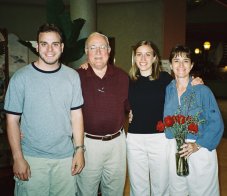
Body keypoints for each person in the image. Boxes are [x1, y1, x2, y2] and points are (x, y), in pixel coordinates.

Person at [4, 23, 85, 196]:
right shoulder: (21, 78)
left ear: (62, 47)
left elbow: (76, 115)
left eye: (55, 44)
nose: (50, 49)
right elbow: (12, 120)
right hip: (32, 159)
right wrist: (18, 158)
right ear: (37, 46)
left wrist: (79, 151)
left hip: (65, 160)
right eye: (44, 44)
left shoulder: (72, 76)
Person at [127, 40, 204, 196]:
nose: (143, 59)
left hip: (159, 139)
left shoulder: (165, 79)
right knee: (137, 184)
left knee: (160, 184)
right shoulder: (128, 80)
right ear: (134, 58)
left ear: (155, 58)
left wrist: (195, 80)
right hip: (135, 139)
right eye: (139, 55)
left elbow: (183, 81)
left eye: (148, 54)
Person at [164, 45, 224, 196]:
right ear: (170, 65)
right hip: (174, 150)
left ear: (191, 65)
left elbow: (216, 123)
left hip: (200, 150)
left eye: (185, 61)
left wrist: (197, 145)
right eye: (176, 60)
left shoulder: (203, 90)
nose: (181, 65)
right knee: (177, 192)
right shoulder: (168, 90)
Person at [76, 32, 129, 196]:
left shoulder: (122, 77)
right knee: (86, 191)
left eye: (102, 47)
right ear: (86, 52)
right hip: (88, 145)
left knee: (115, 191)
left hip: (117, 145)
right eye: (93, 48)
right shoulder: (76, 77)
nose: (98, 52)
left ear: (109, 50)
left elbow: (131, 105)